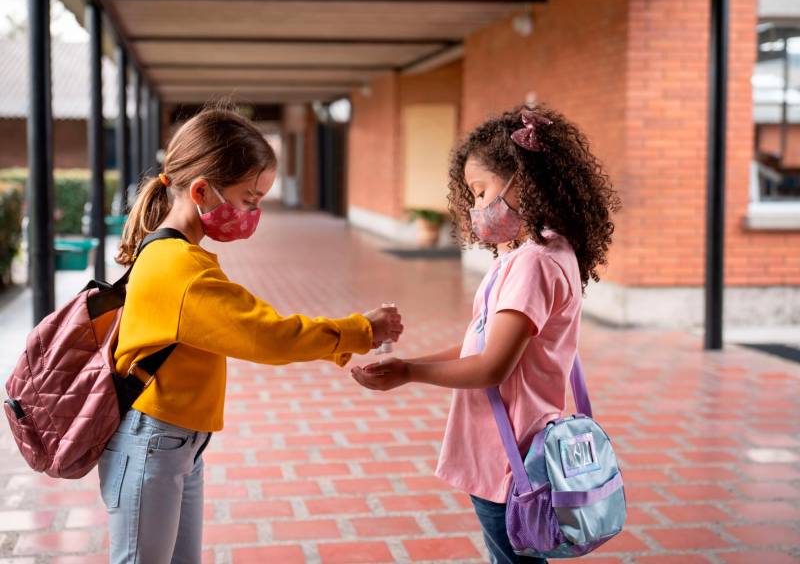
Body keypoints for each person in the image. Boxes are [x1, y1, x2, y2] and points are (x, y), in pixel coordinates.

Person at [101, 105, 403, 564]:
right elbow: (268, 336)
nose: (252, 213)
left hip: (178, 441)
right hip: (153, 442)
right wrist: (360, 330)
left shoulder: (177, 252)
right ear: (201, 190)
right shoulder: (179, 267)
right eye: (249, 200)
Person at [352, 104, 619, 564]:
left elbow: (492, 366)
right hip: (520, 448)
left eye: (481, 192)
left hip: (507, 457)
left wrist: (411, 372)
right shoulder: (546, 252)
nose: (477, 207)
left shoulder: (533, 263)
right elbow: (482, 343)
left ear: (524, 183)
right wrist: (407, 365)